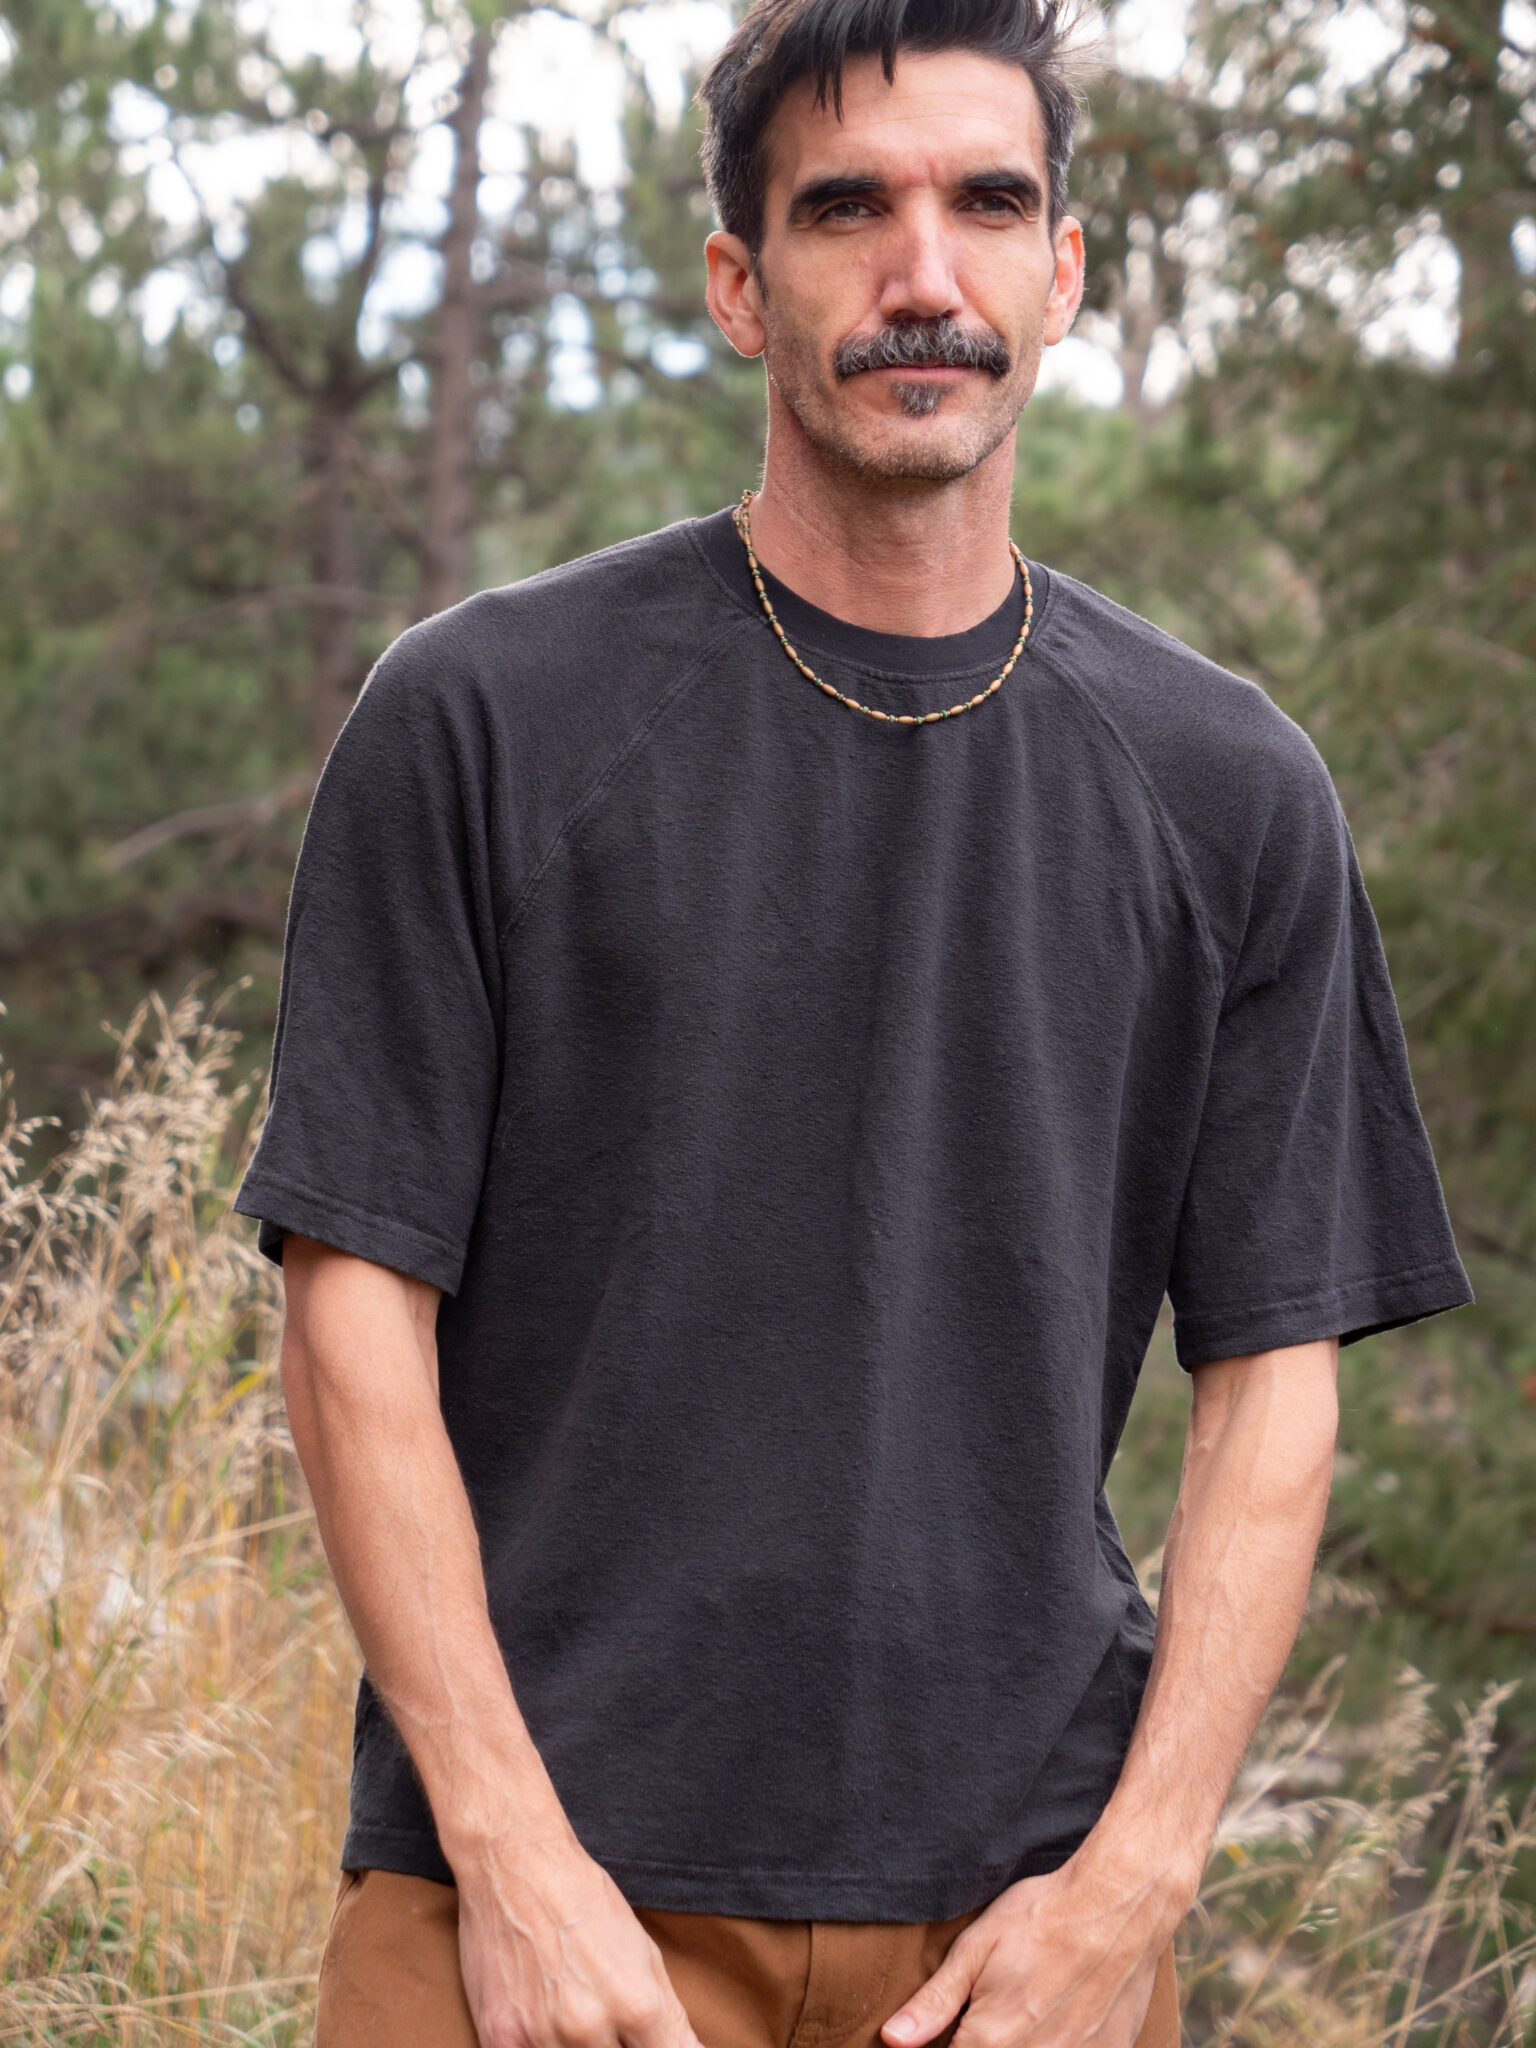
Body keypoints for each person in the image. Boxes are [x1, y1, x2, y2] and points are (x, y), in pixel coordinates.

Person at [235, 0, 1473, 2042]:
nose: (927, 273)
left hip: (1023, 1940)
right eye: (847, 210)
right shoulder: (480, 723)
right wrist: (511, 1855)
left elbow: (1275, 1384)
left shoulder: (1231, 786)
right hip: (539, 1923)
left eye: (991, 202)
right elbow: (352, 1317)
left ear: (1063, 274)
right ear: (740, 281)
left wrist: (1132, 1889)